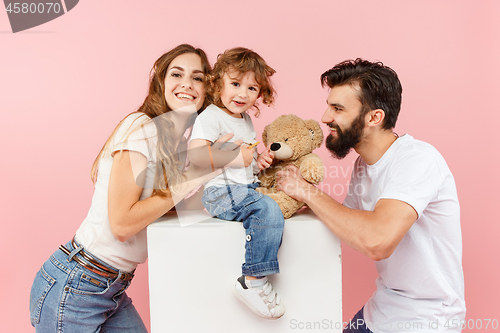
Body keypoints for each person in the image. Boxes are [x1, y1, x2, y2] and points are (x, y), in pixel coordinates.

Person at [29, 44, 243, 332]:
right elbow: (122, 224)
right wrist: (198, 175)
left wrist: (225, 187)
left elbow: (158, 213)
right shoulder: (142, 128)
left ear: (208, 88)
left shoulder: (176, 145)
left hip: (110, 288)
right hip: (76, 283)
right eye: (176, 74)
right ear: (160, 82)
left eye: (197, 78)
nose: (187, 84)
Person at [276, 59, 465, 332]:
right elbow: (347, 224)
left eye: (338, 108)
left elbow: (376, 241)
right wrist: (285, 196)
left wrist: (306, 191)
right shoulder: (364, 165)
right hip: (383, 308)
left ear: (374, 118)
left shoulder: (418, 160)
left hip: (427, 320)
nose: (325, 117)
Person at [188, 47, 286, 320]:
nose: (243, 94)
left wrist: (258, 162)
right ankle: (252, 279)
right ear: (217, 83)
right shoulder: (211, 116)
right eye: (235, 84)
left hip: (243, 188)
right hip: (220, 192)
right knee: (267, 210)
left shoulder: (246, 120)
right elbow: (196, 156)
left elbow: (246, 162)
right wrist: (236, 156)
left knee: (278, 203)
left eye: (252, 88)